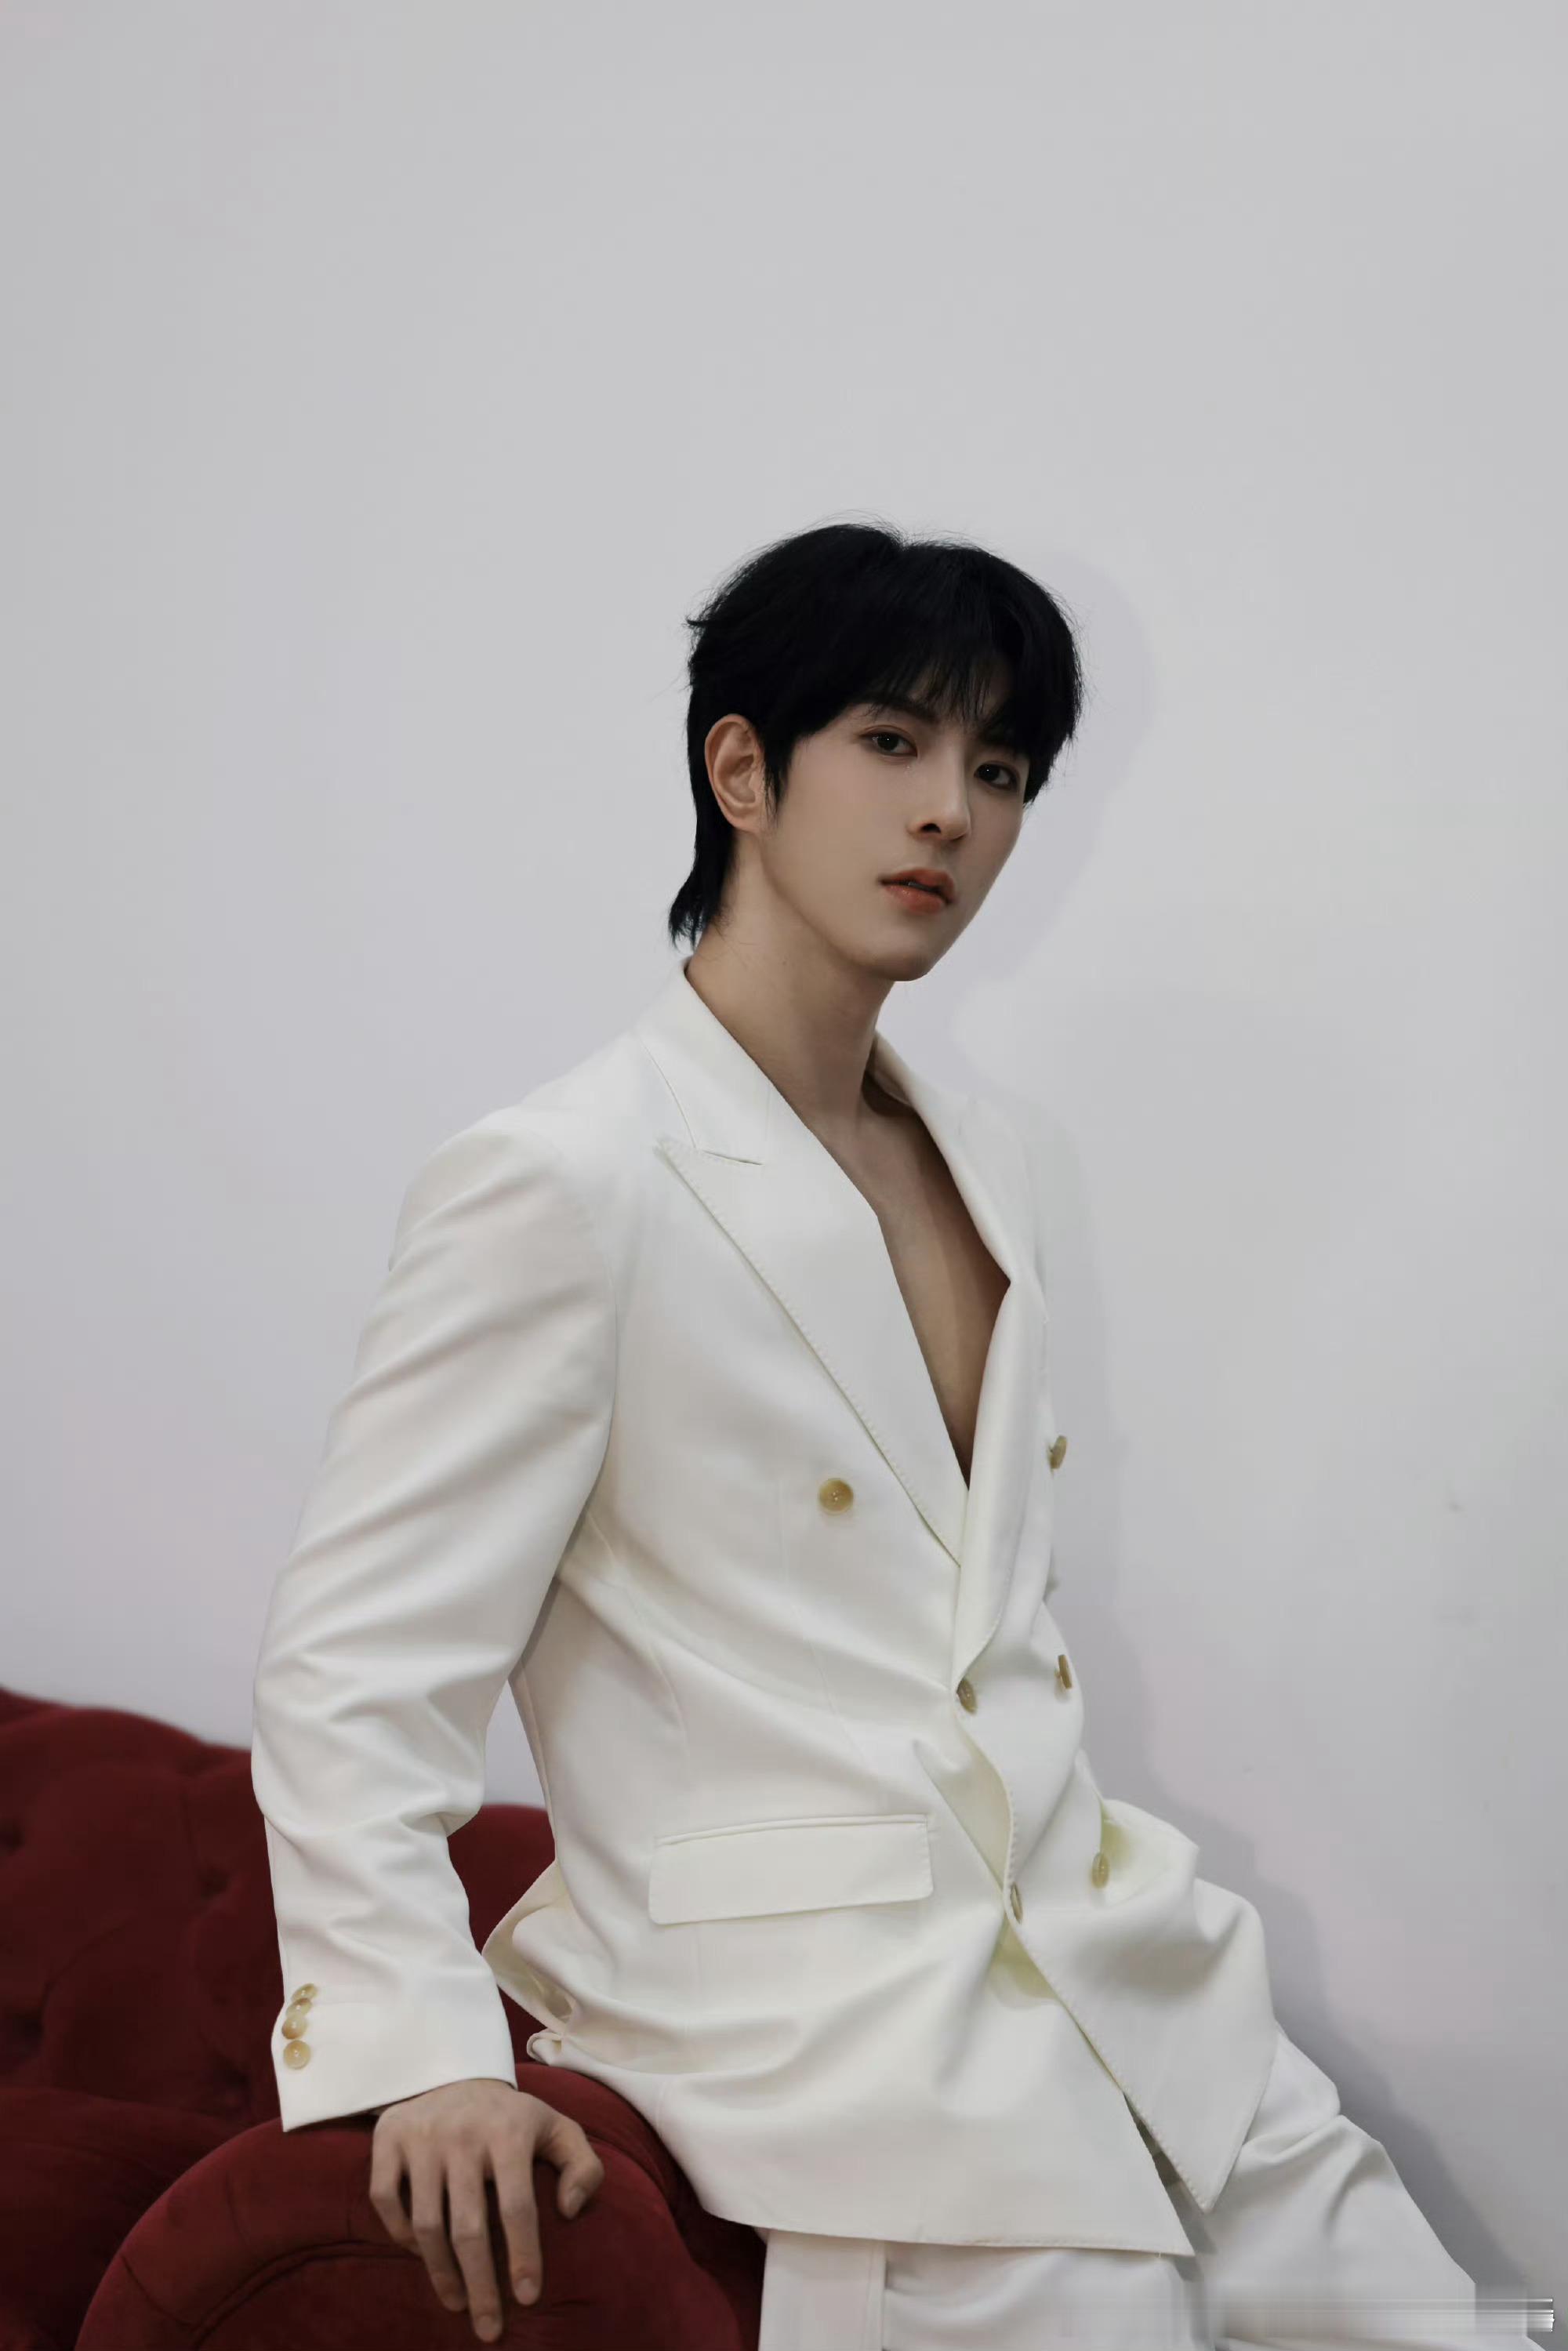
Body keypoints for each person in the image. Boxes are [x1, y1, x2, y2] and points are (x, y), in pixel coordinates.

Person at [251, 521, 1526, 2349]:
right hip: (827, 2041)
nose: (949, 811)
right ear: (741, 770)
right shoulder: (562, 1181)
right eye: (890, 741)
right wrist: (419, 2049)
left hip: (1126, 1970)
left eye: (998, 770)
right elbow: (356, 1668)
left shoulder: (989, 1160)